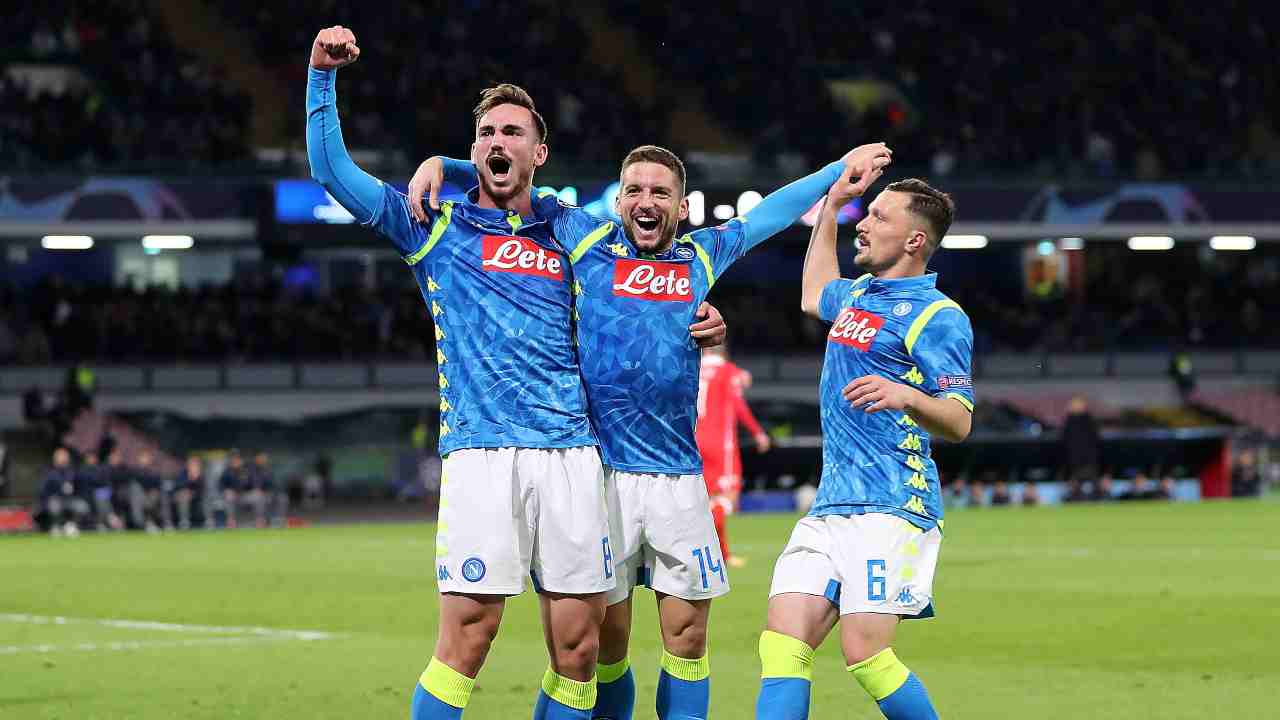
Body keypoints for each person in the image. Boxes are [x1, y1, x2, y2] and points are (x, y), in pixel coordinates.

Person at [305, 28, 723, 720]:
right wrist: (322, 77)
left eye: (513, 132)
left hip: (571, 454)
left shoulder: (571, 230)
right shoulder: (433, 226)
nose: (499, 142)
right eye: (486, 134)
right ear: (476, 152)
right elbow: (333, 174)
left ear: (540, 153)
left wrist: (710, 321)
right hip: (481, 452)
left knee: (580, 648)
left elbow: (650, 272)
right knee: (469, 636)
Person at [411, 139, 890, 720]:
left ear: (682, 207)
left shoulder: (702, 256)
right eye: (634, 190)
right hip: (596, 476)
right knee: (595, 649)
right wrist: (449, 165)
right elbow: (508, 174)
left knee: (688, 640)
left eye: (660, 192)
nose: (646, 200)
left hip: (678, 478)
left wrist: (838, 168)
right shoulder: (582, 239)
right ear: (618, 202)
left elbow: (771, 210)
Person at [755, 172, 974, 720]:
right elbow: (812, 294)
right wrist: (830, 209)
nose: (865, 224)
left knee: (866, 652)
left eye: (879, 217)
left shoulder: (938, 316)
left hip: (893, 504)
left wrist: (906, 394)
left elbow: (960, 420)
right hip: (831, 505)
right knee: (781, 643)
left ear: (914, 241)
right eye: (867, 213)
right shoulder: (856, 294)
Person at [697, 343, 771, 568]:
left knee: (706, 499)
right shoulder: (728, 371)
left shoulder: (695, 368)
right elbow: (738, 403)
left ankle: (721, 553)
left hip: (696, 440)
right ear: (724, 352)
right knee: (727, 498)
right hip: (721, 444)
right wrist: (758, 433)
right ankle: (714, 549)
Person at [39, 447, 89, 536]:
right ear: (55, 458)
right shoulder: (49, 471)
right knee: (54, 506)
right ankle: (56, 525)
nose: (63, 459)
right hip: (55, 499)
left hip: (70, 499)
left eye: (65, 456)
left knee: (82, 506)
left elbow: (81, 486)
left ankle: (70, 525)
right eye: (60, 456)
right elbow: (43, 490)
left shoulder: (73, 471)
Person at [1059, 396, 1101, 488]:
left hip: (1089, 459)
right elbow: (1065, 439)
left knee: (1093, 482)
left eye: (1077, 405)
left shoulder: (1089, 420)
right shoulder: (1069, 420)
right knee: (1075, 484)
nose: (1074, 407)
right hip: (1073, 460)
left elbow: (1095, 439)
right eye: (1073, 405)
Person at [172, 455, 205, 530]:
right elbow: (177, 485)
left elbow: (203, 489)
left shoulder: (202, 475)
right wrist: (190, 479)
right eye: (191, 464)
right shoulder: (182, 473)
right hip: (183, 496)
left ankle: (209, 521)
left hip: (198, 497)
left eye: (195, 465)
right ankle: (184, 521)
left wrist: (196, 480)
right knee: (183, 496)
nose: (193, 467)